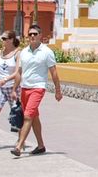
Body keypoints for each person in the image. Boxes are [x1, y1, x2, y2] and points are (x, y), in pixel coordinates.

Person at [10, 24, 62, 158]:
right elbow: (19, 72)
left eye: (35, 34)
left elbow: (54, 72)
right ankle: (40, 146)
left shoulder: (46, 52)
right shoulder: (24, 52)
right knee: (34, 117)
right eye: (30, 34)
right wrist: (14, 89)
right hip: (25, 87)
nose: (32, 36)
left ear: (40, 36)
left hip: (38, 88)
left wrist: (58, 90)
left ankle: (19, 146)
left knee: (27, 116)